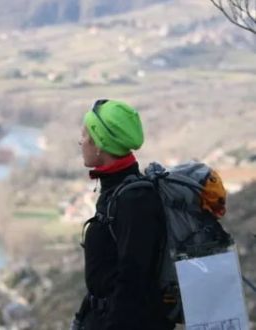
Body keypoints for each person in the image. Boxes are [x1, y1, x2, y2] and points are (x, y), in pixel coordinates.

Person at [71, 99, 175, 330]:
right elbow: (106, 274)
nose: (81, 143)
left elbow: (133, 283)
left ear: (99, 144)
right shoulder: (115, 191)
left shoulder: (134, 201)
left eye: (85, 136)